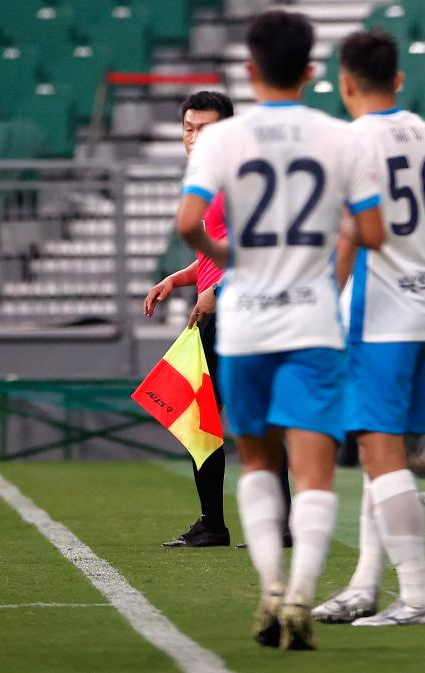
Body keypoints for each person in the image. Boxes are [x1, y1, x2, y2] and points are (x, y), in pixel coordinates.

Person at [176, 9, 384, 650]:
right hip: (311, 317)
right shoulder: (339, 138)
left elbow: (188, 224)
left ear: (249, 70)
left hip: (246, 318)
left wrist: (236, 266)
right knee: (311, 464)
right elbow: (369, 231)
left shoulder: (220, 143)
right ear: (312, 71)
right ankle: (300, 593)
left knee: (258, 461)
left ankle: (270, 585)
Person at [312, 28, 425, 628]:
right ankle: (365, 585)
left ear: (345, 83)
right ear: (397, 78)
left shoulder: (350, 142)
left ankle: (418, 595)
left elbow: (349, 236)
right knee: (383, 455)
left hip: (378, 318)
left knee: (381, 453)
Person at [144, 91, 300, 550]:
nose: (194, 137)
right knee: (207, 417)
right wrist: (179, 279)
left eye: (206, 129)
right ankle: (219, 523)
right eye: (188, 128)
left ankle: (265, 524)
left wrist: (219, 290)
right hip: (222, 309)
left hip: (242, 309)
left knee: (245, 419)